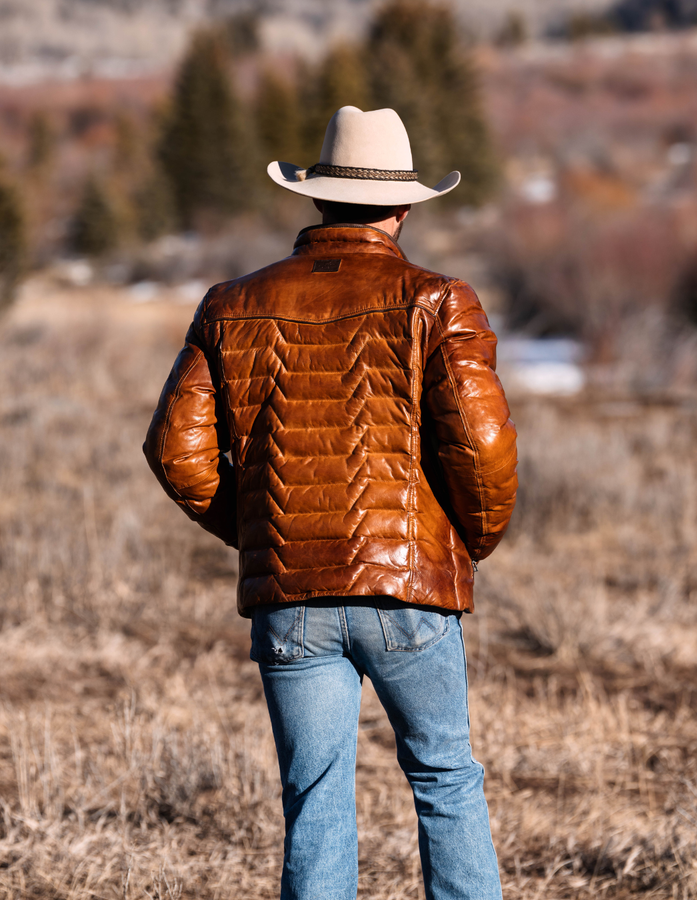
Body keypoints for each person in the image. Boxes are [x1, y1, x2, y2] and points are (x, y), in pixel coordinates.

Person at [144, 106, 517, 900]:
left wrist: (267, 531)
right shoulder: (437, 299)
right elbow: (481, 443)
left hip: (291, 598)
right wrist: (463, 545)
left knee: (314, 803)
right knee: (446, 779)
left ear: (316, 199)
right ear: (405, 207)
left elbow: (175, 451)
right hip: (409, 590)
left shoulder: (229, 302)